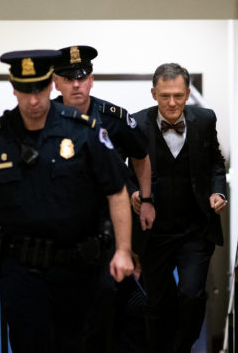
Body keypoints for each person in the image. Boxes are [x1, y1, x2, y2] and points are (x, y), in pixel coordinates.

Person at [0, 49, 134, 353]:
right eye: (25, 91)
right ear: (13, 88)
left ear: (50, 85)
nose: (33, 100)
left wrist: (124, 250)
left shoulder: (82, 130)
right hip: (21, 270)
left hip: (78, 267)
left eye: (38, 89)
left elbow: (117, 191)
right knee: (30, 344)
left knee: (77, 343)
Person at [52, 45, 155, 351]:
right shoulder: (43, 120)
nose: (76, 84)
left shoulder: (113, 118)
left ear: (91, 79)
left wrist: (146, 199)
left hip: (109, 227)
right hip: (64, 228)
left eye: (81, 77)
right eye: (68, 78)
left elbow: (141, 154)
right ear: (56, 82)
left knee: (113, 302)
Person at [129, 63, 227, 352]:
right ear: (153, 94)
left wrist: (217, 191)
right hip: (154, 231)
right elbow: (122, 171)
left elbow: (216, 163)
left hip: (194, 229)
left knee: (192, 294)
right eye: (165, 96)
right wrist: (134, 193)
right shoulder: (136, 124)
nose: (172, 103)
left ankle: (183, 346)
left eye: (178, 96)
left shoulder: (205, 120)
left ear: (187, 94)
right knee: (157, 301)